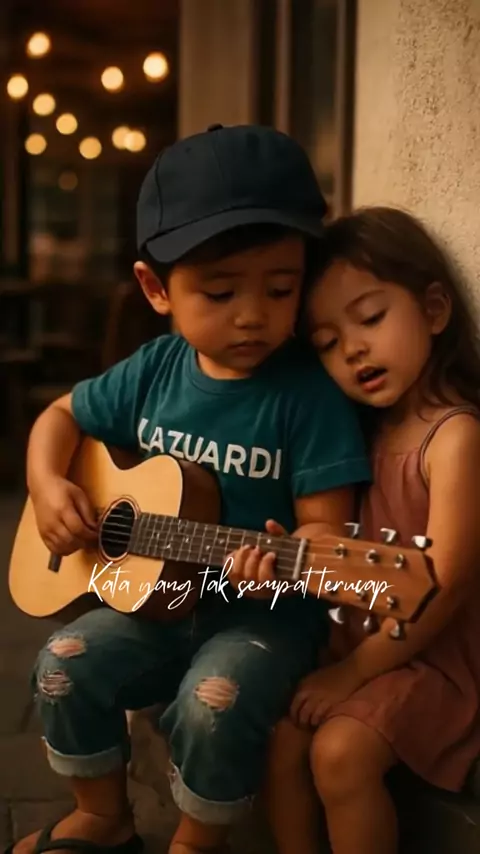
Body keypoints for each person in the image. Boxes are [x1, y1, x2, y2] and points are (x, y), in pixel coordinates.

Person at [9, 125, 371, 854]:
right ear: (156, 289)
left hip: (262, 621)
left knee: (217, 698)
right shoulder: (156, 368)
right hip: (151, 605)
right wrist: (46, 484)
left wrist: (287, 562)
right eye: (220, 291)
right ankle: (102, 815)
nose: (252, 313)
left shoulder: (309, 397)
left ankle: (198, 839)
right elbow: (60, 416)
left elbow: (329, 536)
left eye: (280, 288)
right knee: (61, 664)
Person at [259, 205, 480, 854]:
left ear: (434, 310)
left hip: (437, 661)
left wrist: (351, 673)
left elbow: (444, 588)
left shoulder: (455, 438)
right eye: (327, 343)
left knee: (340, 752)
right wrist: (296, 555)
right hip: (363, 649)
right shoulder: (361, 434)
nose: (352, 349)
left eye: (371, 318)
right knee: (281, 739)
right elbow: (351, 556)